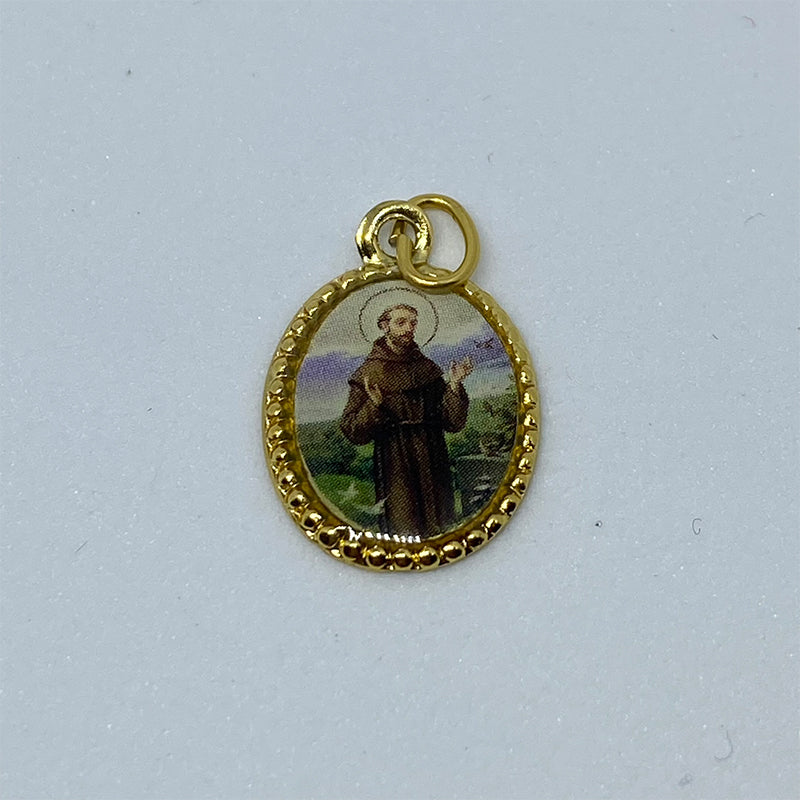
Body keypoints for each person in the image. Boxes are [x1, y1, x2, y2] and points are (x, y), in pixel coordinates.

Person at [340, 303, 473, 538]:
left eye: (413, 323)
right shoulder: (369, 372)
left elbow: (452, 423)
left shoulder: (427, 367)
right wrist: (374, 405)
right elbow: (353, 430)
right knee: (404, 523)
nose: (408, 328)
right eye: (400, 322)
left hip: (433, 455)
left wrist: (454, 385)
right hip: (396, 459)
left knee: (440, 522)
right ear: (385, 326)